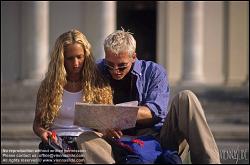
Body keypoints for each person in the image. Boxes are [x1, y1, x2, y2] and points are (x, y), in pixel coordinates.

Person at [94, 29, 221, 164]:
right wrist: (102, 125)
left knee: (186, 97)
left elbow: (154, 111)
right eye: (110, 65)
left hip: (157, 137)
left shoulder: (154, 71)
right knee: (86, 137)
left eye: (122, 66)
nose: (115, 71)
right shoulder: (97, 70)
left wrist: (113, 115)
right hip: (115, 139)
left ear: (133, 57)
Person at [33, 29, 113, 164]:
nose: (76, 63)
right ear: (61, 59)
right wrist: (42, 133)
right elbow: (37, 124)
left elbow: (106, 125)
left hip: (88, 142)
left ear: (86, 56)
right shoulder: (49, 86)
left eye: (79, 57)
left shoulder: (98, 85)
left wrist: (105, 132)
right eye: (70, 58)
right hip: (57, 142)